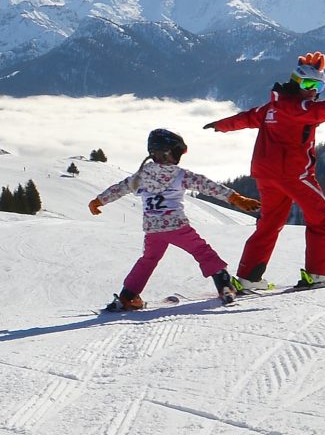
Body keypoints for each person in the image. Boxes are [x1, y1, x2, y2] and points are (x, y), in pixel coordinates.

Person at [204, 51, 325, 288]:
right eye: (308, 83)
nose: (313, 90)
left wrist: (222, 125)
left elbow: (248, 118)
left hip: (266, 175)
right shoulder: (303, 108)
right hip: (293, 174)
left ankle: (248, 277)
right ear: (296, 82)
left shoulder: (271, 107)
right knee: (322, 219)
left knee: (269, 224)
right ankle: (319, 273)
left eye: (318, 85)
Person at [88, 128, 259, 311]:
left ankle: (127, 296)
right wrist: (235, 198)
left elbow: (119, 189)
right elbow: (208, 186)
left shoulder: (141, 176)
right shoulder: (180, 175)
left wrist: (98, 201)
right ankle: (224, 285)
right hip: (177, 227)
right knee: (202, 252)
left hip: (153, 230)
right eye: (177, 152)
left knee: (148, 260)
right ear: (168, 153)